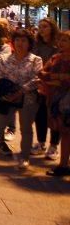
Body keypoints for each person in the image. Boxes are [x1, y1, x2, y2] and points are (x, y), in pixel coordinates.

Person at [0, 29, 42, 169]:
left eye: (24, 40)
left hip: (27, 98)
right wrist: (10, 92)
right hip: (7, 97)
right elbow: (0, 76)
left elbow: (37, 79)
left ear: (29, 43)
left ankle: (24, 157)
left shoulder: (35, 59)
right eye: (17, 40)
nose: (20, 43)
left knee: (26, 128)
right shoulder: (6, 59)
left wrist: (21, 90)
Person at [40, 31, 70, 177]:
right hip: (57, 100)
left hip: (66, 101)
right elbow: (42, 74)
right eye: (60, 40)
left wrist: (57, 78)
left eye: (65, 40)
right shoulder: (55, 58)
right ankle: (63, 165)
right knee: (64, 133)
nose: (61, 43)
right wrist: (60, 78)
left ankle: (64, 164)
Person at [32, 18, 60, 159]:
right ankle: (41, 142)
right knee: (40, 114)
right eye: (40, 27)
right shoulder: (36, 44)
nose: (41, 29)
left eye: (45, 27)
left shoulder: (58, 45)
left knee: (55, 115)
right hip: (39, 83)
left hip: (55, 85)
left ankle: (54, 145)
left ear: (52, 28)